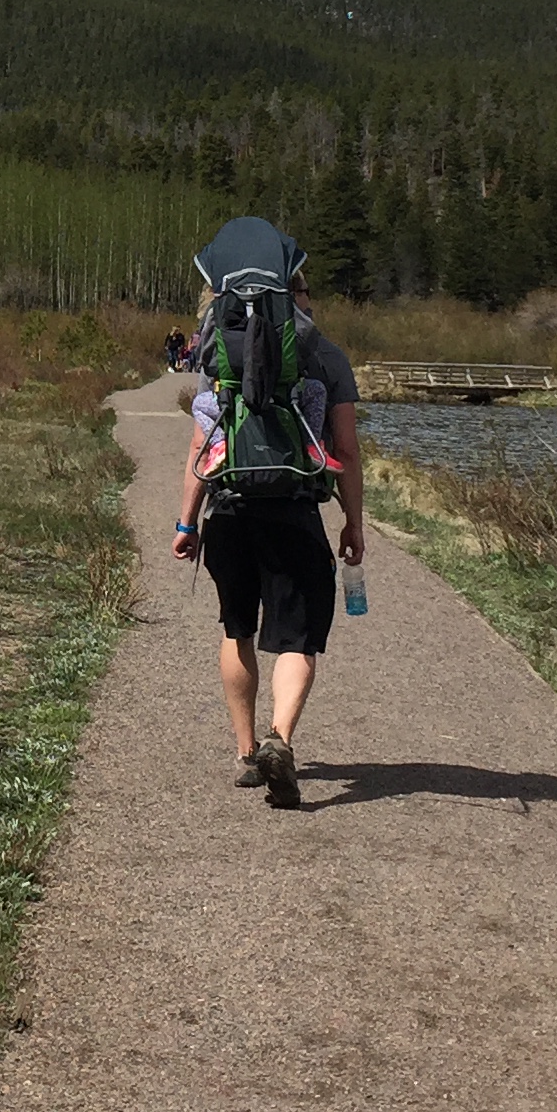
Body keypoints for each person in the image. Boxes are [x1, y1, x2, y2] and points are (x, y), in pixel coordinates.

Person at [173, 262, 364, 803]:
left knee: (238, 630)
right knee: (297, 638)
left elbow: (200, 449)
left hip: (230, 513)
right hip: (296, 512)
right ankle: (279, 739)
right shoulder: (326, 357)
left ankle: (245, 752)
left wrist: (188, 522)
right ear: (297, 296)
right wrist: (352, 520)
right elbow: (345, 452)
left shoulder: (221, 355)